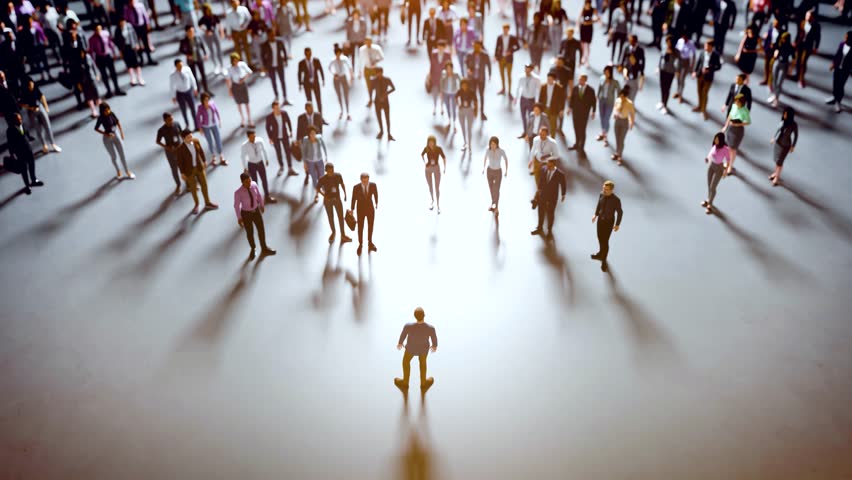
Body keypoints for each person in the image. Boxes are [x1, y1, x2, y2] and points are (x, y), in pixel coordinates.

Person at [394, 307, 437, 392]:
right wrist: (434, 346)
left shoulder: (408, 326)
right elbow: (434, 338)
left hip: (410, 349)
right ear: (424, 315)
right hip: (423, 350)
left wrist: (400, 343)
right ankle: (423, 383)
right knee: (423, 364)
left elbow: (403, 335)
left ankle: (405, 383)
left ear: (414, 316)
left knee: (405, 362)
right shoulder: (430, 328)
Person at [177, 128, 219, 213]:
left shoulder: (196, 141)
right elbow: (180, 163)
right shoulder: (180, 149)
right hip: (189, 171)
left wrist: (204, 161)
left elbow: (201, 152)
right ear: (183, 138)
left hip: (199, 167)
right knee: (193, 188)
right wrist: (182, 173)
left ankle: (207, 203)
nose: (191, 138)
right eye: (188, 137)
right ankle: (196, 205)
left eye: (191, 136)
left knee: (204, 185)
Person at [235, 172, 276, 259]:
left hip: (256, 211)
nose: (249, 183)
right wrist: (239, 218)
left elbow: (258, 195)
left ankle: (264, 247)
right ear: (242, 182)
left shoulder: (254, 184)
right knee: (250, 232)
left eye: (250, 180)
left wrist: (261, 204)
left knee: (261, 229)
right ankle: (253, 248)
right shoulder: (238, 192)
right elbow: (236, 206)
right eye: (246, 182)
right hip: (246, 214)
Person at [18, 78, 61, 153]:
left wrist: (46, 107)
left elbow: (42, 96)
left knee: (47, 126)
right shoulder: (24, 93)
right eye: (30, 85)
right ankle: (44, 145)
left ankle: (53, 143)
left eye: (32, 84)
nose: (32, 86)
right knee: (38, 129)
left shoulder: (35, 88)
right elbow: (21, 103)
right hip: (32, 112)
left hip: (40, 108)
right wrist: (29, 107)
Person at [94, 102, 134, 179]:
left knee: (123, 155)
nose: (108, 111)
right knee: (113, 156)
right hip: (107, 139)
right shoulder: (101, 118)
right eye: (106, 111)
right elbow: (96, 128)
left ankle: (127, 171)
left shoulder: (111, 113)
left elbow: (118, 122)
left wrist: (121, 132)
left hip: (116, 135)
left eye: (108, 109)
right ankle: (118, 171)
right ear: (102, 111)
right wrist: (105, 134)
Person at [5, 112, 42, 194]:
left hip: (28, 149)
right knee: (24, 169)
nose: (21, 121)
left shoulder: (22, 125)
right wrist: (12, 154)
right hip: (20, 152)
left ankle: (34, 180)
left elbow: (26, 133)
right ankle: (27, 186)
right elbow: (10, 144)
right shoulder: (10, 130)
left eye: (21, 119)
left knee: (32, 164)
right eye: (18, 120)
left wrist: (29, 138)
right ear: (14, 121)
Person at [315, 162, 351, 244]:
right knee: (330, 217)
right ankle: (333, 232)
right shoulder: (322, 179)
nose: (331, 172)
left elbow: (342, 184)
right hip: (328, 201)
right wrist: (324, 195)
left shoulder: (338, 176)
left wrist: (345, 194)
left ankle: (343, 235)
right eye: (329, 171)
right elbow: (317, 188)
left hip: (337, 199)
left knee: (341, 217)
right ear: (326, 171)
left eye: (332, 170)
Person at [531, 156, 566, 239]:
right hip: (542, 195)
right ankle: (539, 227)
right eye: (547, 163)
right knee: (541, 211)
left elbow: (563, 184)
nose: (547, 164)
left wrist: (563, 194)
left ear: (553, 164)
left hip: (552, 197)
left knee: (550, 213)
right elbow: (541, 180)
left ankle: (549, 231)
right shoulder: (543, 169)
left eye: (549, 163)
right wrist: (538, 190)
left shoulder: (560, 174)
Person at [591, 180, 623, 272]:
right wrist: (595, 215)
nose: (604, 191)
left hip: (609, 222)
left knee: (605, 241)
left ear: (612, 190)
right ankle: (600, 253)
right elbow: (598, 205)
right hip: (600, 220)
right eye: (603, 189)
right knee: (600, 238)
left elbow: (620, 212)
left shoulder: (616, 200)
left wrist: (617, 224)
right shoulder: (601, 194)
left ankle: (604, 260)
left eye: (606, 190)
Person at [88, 23, 125, 97]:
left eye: (99, 29)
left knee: (113, 73)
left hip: (108, 56)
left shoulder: (106, 34)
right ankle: (109, 91)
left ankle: (117, 89)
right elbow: (91, 51)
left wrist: (114, 52)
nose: (98, 31)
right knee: (104, 76)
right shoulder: (91, 39)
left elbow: (110, 43)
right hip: (100, 58)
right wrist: (93, 61)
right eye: (97, 30)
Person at [241, 128, 276, 202]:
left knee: (264, 180)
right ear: (248, 137)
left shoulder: (259, 141)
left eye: (254, 136)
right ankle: (256, 198)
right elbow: (243, 157)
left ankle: (267, 196)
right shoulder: (245, 145)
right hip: (251, 164)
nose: (254, 138)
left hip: (260, 162)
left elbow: (264, 150)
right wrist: (245, 168)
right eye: (252, 137)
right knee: (254, 182)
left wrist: (266, 159)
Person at [155, 112, 185, 194]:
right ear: (165, 121)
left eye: (172, 119)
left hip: (179, 148)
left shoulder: (177, 124)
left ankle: (188, 183)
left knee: (183, 165)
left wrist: (183, 143)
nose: (171, 121)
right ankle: (178, 185)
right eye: (169, 120)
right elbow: (157, 141)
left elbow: (181, 134)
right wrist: (166, 147)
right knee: (174, 168)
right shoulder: (161, 130)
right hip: (170, 152)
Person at [721, 93, 750, 175]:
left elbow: (748, 122)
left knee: (733, 149)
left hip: (738, 131)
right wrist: (725, 127)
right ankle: (728, 163)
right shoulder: (734, 106)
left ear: (741, 102)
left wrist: (738, 124)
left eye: (737, 101)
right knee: (729, 148)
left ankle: (730, 166)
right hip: (730, 129)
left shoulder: (745, 111)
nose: (735, 102)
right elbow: (729, 116)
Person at [701, 132, 730, 214]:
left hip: (719, 168)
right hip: (711, 166)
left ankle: (710, 204)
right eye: (715, 139)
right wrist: (707, 158)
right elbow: (710, 153)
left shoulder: (725, 149)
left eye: (717, 139)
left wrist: (725, 171)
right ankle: (708, 199)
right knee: (709, 184)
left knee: (713, 187)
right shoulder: (714, 146)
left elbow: (728, 160)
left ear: (720, 140)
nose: (715, 140)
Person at [350, 172, 378, 255]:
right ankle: (360, 244)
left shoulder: (373, 185)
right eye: (363, 181)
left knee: (370, 226)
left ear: (368, 179)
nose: (365, 183)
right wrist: (352, 209)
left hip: (370, 209)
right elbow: (353, 198)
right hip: (360, 210)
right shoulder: (356, 187)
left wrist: (376, 203)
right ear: (361, 180)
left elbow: (376, 194)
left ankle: (370, 242)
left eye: (366, 181)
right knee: (360, 227)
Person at [769, 107, 798, 186]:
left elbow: (796, 136)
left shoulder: (793, 125)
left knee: (779, 162)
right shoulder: (782, 122)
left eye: (786, 114)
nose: (784, 115)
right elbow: (777, 131)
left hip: (785, 145)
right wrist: (773, 138)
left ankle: (777, 177)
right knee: (776, 160)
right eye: (784, 114)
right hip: (778, 143)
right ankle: (776, 173)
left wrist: (793, 146)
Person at [691, 40, 721, 119]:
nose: (705, 47)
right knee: (699, 91)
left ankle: (703, 110)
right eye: (705, 46)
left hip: (708, 77)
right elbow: (698, 62)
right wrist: (695, 71)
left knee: (704, 93)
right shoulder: (702, 53)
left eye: (707, 46)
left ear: (711, 47)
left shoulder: (716, 55)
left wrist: (710, 69)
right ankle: (699, 106)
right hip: (700, 75)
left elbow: (718, 67)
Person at [265, 100, 295, 176]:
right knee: (278, 152)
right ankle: (281, 167)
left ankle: (290, 167)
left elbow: (288, 121)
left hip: (285, 135)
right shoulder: (269, 117)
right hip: (275, 137)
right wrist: (270, 138)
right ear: (273, 108)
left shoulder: (284, 113)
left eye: (279, 107)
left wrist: (291, 131)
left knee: (288, 151)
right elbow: (267, 128)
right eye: (276, 108)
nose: (278, 109)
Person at [196, 92, 227, 165]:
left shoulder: (212, 104)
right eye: (205, 100)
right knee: (209, 141)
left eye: (208, 99)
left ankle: (221, 155)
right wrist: (200, 128)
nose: (207, 101)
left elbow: (216, 111)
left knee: (218, 139)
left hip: (214, 124)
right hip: (206, 126)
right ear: (202, 101)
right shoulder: (200, 107)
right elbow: (198, 118)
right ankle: (213, 156)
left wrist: (219, 120)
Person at [179, 25, 210, 95]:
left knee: (203, 74)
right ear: (187, 32)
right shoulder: (184, 41)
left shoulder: (197, 38)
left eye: (193, 31)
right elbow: (181, 50)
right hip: (191, 60)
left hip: (199, 58)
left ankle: (206, 90)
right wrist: (187, 55)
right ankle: (197, 89)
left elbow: (202, 45)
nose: (192, 33)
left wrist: (205, 54)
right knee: (194, 76)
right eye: (190, 31)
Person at [114, 18, 146, 87]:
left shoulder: (129, 26)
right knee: (129, 64)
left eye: (123, 22)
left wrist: (137, 43)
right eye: (121, 22)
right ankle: (133, 78)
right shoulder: (117, 30)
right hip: (124, 48)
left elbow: (135, 35)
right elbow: (117, 41)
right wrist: (120, 50)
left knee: (136, 63)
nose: (122, 23)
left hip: (132, 46)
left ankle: (140, 78)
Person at [568, 73, 596, 151]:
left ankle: (582, 146)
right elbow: (572, 99)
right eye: (579, 79)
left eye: (582, 80)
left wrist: (593, 111)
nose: (580, 81)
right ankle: (577, 143)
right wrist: (570, 108)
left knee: (582, 129)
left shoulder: (590, 90)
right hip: (575, 112)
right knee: (576, 128)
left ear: (585, 80)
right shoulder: (575, 88)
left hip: (584, 113)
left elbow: (593, 101)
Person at [123, 0, 155, 65]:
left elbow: (145, 15)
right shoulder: (126, 8)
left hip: (142, 26)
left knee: (145, 43)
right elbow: (126, 19)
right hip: (134, 28)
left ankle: (149, 58)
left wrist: (148, 24)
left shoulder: (140, 5)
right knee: (137, 44)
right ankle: (141, 59)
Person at [170, 58, 199, 132]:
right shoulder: (173, 75)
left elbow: (192, 78)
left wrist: (195, 88)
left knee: (193, 109)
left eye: (181, 65)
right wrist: (173, 96)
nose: (180, 67)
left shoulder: (187, 70)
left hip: (188, 91)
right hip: (180, 93)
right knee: (183, 110)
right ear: (176, 66)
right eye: (179, 66)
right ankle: (187, 125)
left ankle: (196, 125)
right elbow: (172, 86)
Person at [826, 31, 851, 114]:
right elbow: (837, 55)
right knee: (835, 83)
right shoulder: (842, 44)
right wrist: (833, 64)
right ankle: (834, 97)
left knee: (840, 86)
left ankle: (838, 102)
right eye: (845, 37)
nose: (845, 38)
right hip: (837, 68)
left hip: (845, 70)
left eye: (847, 38)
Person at [482, 136, 508, 214]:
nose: (493, 146)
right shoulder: (488, 150)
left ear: (497, 144)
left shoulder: (501, 151)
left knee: (496, 189)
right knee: (491, 188)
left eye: (494, 144)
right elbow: (485, 158)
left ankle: (496, 207)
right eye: (491, 144)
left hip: (497, 172)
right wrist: (483, 168)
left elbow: (506, 159)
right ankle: (493, 203)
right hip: (489, 171)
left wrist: (506, 171)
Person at [226, 53, 254, 127]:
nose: (236, 62)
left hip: (242, 84)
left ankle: (249, 118)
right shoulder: (229, 68)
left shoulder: (242, 64)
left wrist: (244, 78)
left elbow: (250, 72)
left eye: (237, 60)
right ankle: (242, 119)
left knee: (246, 102)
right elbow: (228, 79)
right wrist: (229, 90)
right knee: (239, 103)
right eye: (234, 61)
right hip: (235, 86)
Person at [465, 40, 490, 120]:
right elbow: (466, 62)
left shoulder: (485, 55)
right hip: (472, 78)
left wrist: (490, 74)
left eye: (478, 46)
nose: (476, 48)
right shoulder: (470, 54)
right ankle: (475, 109)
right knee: (473, 94)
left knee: (481, 95)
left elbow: (489, 65)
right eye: (475, 46)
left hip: (481, 78)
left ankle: (482, 112)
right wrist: (468, 69)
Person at [794, 11, 820, 89]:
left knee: (803, 62)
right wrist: (795, 42)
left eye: (809, 16)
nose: (807, 17)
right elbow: (798, 33)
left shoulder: (816, 25)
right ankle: (797, 75)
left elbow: (818, 37)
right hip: (800, 45)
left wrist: (816, 47)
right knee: (798, 60)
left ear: (812, 17)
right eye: (806, 15)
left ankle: (801, 79)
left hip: (808, 46)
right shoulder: (802, 23)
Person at [260, 30, 288, 101]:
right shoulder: (265, 45)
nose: (272, 37)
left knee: (282, 81)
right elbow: (262, 56)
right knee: (273, 81)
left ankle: (285, 97)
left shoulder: (279, 42)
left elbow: (284, 51)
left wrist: (285, 60)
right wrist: (265, 66)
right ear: (268, 36)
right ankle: (276, 96)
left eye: (273, 35)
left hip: (279, 64)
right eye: (270, 35)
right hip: (270, 66)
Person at [494, 23, 521, 97]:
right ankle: (503, 88)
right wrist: (496, 56)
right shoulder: (499, 37)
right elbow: (497, 47)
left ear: (508, 30)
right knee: (502, 74)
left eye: (507, 29)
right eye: (504, 29)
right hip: (501, 58)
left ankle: (509, 91)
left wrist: (511, 51)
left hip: (509, 59)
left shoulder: (512, 38)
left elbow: (518, 47)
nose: (505, 30)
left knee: (509, 75)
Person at [768, 32, 794, 107]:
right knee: (774, 81)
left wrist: (791, 68)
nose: (783, 40)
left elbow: (793, 58)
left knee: (779, 83)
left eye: (784, 39)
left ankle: (777, 98)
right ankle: (774, 95)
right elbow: (775, 51)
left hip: (785, 64)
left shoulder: (790, 47)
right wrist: (775, 53)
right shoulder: (779, 44)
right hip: (777, 62)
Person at [369, 66, 396, 140]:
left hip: (385, 101)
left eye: (380, 73)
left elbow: (393, 88)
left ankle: (389, 134)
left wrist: (386, 93)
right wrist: (370, 99)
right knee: (379, 117)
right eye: (377, 73)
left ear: (382, 72)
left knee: (387, 118)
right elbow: (371, 90)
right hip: (377, 101)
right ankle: (381, 131)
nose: (378, 74)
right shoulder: (373, 81)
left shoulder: (387, 80)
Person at [421, 135, 446, 212]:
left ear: (435, 142)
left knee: (437, 187)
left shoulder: (438, 149)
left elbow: (444, 157)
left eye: (432, 142)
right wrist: (425, 162)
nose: (431, 144)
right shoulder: (426, 149)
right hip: (428, 168)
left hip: (436, 168)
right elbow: (422, 154)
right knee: (430, 186)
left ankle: (438, 205)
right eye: (429, 142)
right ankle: (432, 201)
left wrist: (445, 168)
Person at [514, 63, 540, 137]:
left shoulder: (536, 79)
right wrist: (516, 98)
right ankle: (525, 131)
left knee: (531, 117)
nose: (527, 71)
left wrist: (537, 101)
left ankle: (530, 132)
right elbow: (518, 88)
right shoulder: (521, 77)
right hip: (523, 98)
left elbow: (539, 90)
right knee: (523, 116)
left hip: (531, 99)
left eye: (528, 70)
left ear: (531, 70)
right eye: (526, 69)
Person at [596, 65, 620, 147]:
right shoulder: (602, 78)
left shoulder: (614, 82)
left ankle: (605, 135)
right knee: (602, 117)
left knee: (606, 118)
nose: (606, 74)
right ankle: (603, 132)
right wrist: (597, 95)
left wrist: (618, 101)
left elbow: (619, 91)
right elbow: (600, 87)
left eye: (607, 72)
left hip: (609, 102)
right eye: (605, 72)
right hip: (602, 100)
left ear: (610, 73)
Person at [611, 86, 635, 165]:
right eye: (620, 96)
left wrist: (631, 122)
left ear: (626, 96)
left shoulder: (629, 103)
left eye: (622, 96)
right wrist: (615, 114)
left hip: (624, 121)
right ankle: (617, 152)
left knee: (621, 139)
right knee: (617, 138)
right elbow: (615, 108)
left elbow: (632, 114)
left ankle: (620, 155)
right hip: (617, 120)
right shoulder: (618, 100)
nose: (621, 98)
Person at [199, 4, 225, 75]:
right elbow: (200, 25)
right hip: (208, 35)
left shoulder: (214, 16)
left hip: (215, 33)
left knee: (219, 50)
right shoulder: (203, 18)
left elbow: (219, 24)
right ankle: (216, 65)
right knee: (212, 51)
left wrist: (221, 32)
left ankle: (222, 65)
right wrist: (206, 31)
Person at [328, 44, 353, 120]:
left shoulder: (344, 59)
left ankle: (348, 111)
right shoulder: (333, 60)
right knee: (339, 95)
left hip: (343, 77)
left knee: (346, 94)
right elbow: (329, 68)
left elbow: (349, 67)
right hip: (336, 78)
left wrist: (351, 77)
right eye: (337, 53)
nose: (338, 55)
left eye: (339, 53)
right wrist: (333, 74)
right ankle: (341, 110)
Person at [538, 72, 565, 136]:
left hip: (554, 109)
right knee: (543, 126)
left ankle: (552, 141)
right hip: (544, 109)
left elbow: (562, 100)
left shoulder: (559, 88)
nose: (549, 80)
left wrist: (561, 110)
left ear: (554, 79)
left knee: (553, 126)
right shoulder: (543, 86)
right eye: (548, 79)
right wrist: (539, 108)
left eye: (550, 79)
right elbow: (540, 99)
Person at [226, 0, 252, 67]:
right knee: (238, 49)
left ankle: (250, 63)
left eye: (235, 2)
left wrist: (245, 25)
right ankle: (241, 64)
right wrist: (229, 34)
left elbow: (249, 18)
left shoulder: (243, 9)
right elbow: (228, 24)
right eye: (232, 3)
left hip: (243, 30)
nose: (234, 4)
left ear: (238, 2)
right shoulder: (229, 13)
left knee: (246, 48)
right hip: (235, 32)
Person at [429, 40, 451, 114]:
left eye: (442, 47)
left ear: (444, 47)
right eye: (439, 47)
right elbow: (431, 65)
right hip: (435, 76)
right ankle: (435, 106)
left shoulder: (447, 55)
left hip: (443, 78)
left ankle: (442, 107)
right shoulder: (434, 54)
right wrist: (430, 75)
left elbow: (449, 67)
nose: (440, 48)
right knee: (434, 93)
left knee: (442, 94)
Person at [673, 32, 696, 103]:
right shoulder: (680, 41)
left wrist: (692, 65)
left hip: (686, 62)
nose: (684, 39)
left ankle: (681, 94)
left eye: (685, 38)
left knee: (682, 79)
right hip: (679, 60)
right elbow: (676, 50)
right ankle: (677, 91)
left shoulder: (691, 43)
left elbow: (694, 54)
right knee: (677, 77)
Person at [656, 42, 679, 113]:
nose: (668, 43)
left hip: (670, 72)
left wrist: (677, 71)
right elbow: (661, 58)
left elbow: (677, 62)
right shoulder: (664, 48)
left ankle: (665, 105)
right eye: (667, 42)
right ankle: (662, 101)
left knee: (667, 88)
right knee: (662, 87)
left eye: (669, 42)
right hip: (663, 70)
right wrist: (658, 67)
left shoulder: (676, 52)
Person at [455, 78, 477, 150]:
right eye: (462, 85)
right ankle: (465, 142)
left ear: (468, 85)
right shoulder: (460, 91)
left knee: (469, 128)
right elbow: (455, 97)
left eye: (465, 85)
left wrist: (476, 110)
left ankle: (470, 144)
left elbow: (475, 101)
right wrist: (458, 104)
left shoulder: (471, 92)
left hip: (469, 110)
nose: (464, 87)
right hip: (462, 110)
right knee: (462, 127)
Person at [440, 62, 462, 133]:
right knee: (448, 107)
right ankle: (449, 120)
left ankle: (454, 123)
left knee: (454, 108)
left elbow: (461, 81)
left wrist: (459, 91)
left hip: (453, 93)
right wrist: (441, 92)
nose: (449, 70)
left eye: (450, 68)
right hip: (446, 93)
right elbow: (441, 83)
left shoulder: (455, 75)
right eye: (447, 69)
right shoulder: (444, 75)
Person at [577, 0, 599, 66]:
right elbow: (579, 18)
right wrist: (578, 26)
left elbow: (597, 18)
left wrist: (590, 22)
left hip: (589, 28)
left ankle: (587, 59)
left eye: (588, 3)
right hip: (583, 28)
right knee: (582, 44)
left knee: (588, 45)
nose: (587, 5)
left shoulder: (593, 10)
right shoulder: (583, 9)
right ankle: (582, 57)